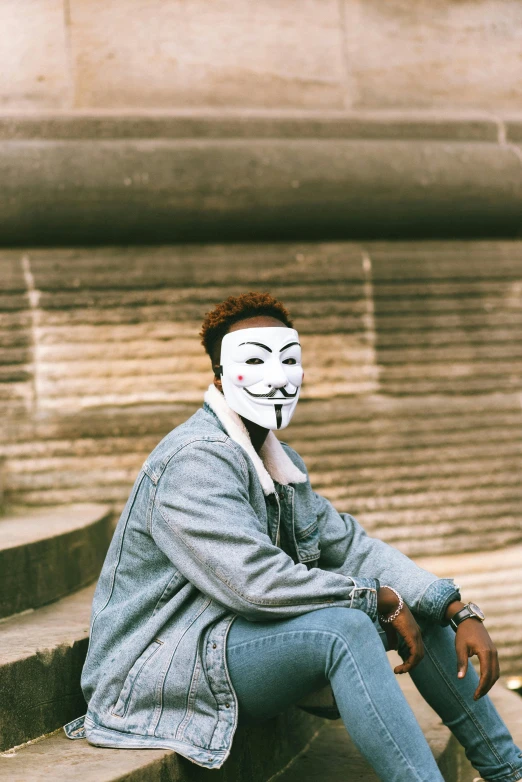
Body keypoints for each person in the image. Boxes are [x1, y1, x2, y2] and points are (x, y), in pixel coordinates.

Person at [64, 292, 522, 782]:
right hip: (159, 667)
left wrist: (456, 608)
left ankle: (508, 772)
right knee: (346, 628)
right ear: (219, 376)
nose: (277, 377)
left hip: (226, 641)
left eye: (288, 361)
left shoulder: (281, 463)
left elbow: (350, 546)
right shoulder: (194, 460)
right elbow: (253, 582)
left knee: (418, 608)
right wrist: (375, 599)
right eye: (255, 361)